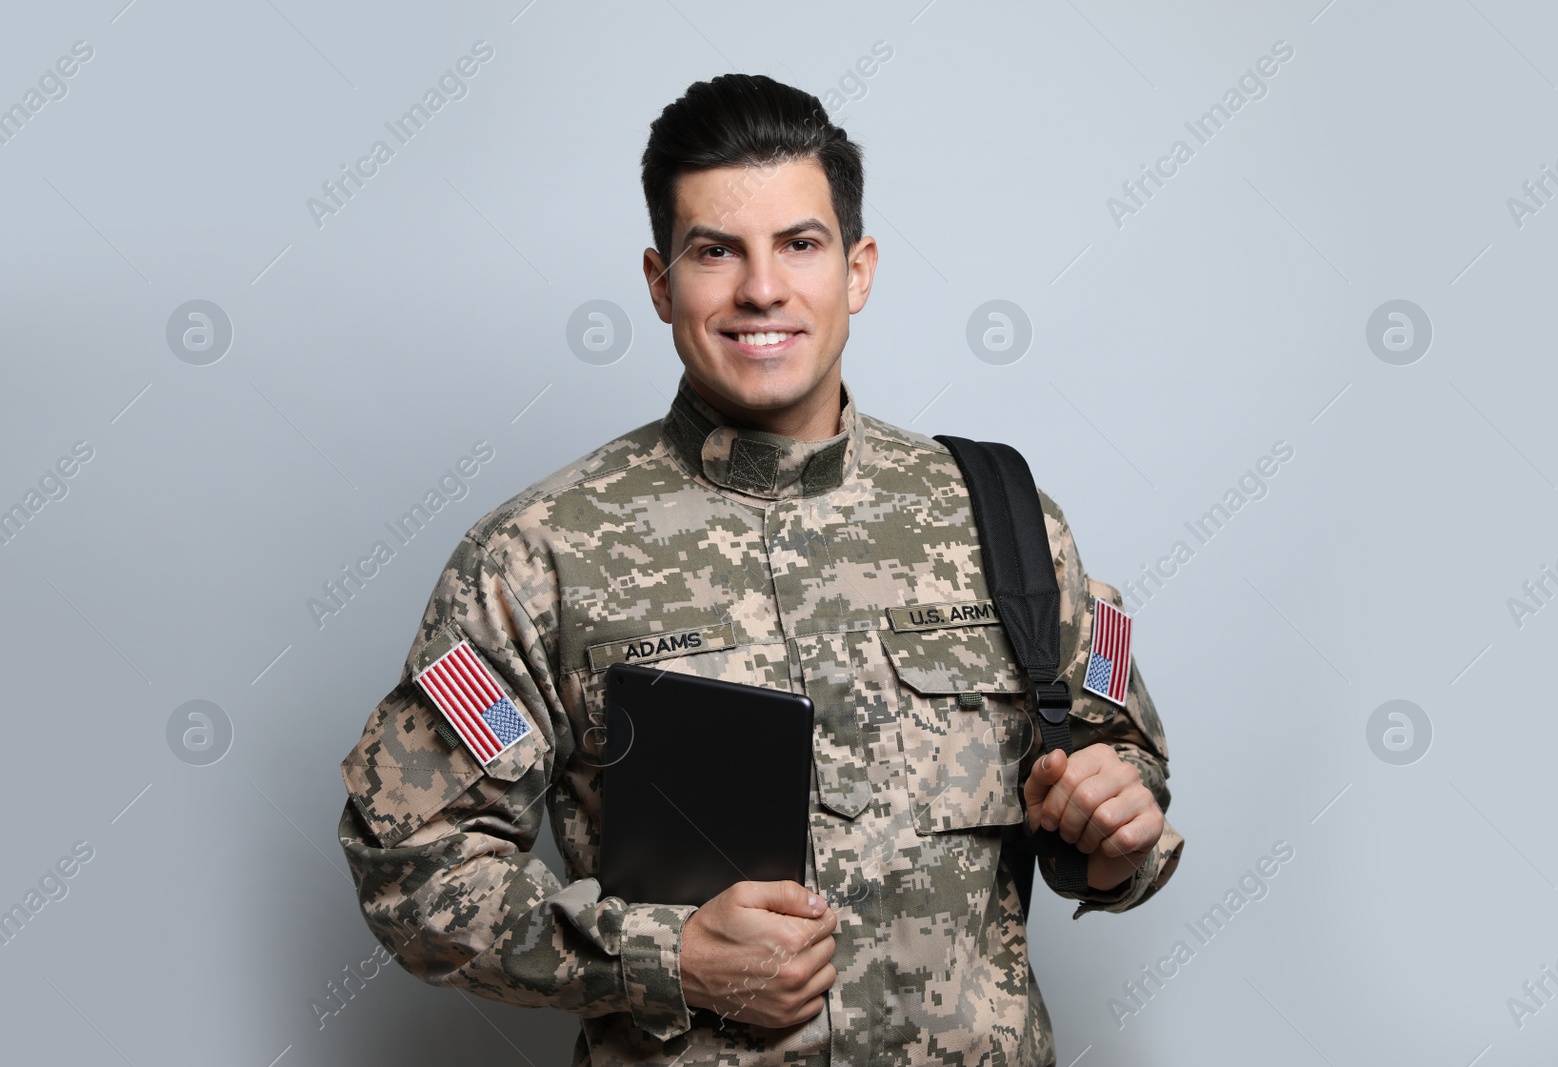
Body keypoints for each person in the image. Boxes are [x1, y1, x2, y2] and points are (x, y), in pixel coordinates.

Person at [337, 72, 1182, 1066]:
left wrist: (1121, 822)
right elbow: (412, 858)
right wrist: (661, 956)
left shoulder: (1004, 519)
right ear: (659, 282)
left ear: (857, 270)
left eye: (799, 243)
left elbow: (1121, 756)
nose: (761, 289)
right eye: (715, 251)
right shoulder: (535, 558)